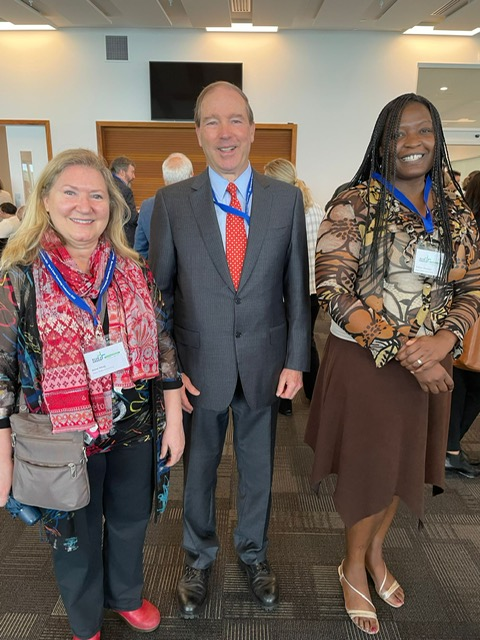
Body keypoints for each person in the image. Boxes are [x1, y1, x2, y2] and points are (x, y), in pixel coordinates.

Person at [304, 94, 480, 635]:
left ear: (437, 137)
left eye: (423, 130)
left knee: (403, 467)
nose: (412, 142)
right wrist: (409, 351)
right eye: (400, 132)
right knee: (368, 472)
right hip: (368, 364)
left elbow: (472, 284)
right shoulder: (353, 202)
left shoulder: (454, 205)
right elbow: (332, 287)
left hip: (432, 363)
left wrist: (447, 338)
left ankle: (377, 553)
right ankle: (352, 566)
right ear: (383, 140)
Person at [0, 148, 184, 640]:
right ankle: (84, 618)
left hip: (133, 420)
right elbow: (1, 373)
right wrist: (2, 456)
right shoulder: (19, 275)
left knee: (128, 519)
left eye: (97, 195)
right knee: (74, 536)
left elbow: (163, 344)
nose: (85, 205)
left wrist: (175, 416)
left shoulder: (133, 268)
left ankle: (124, 594)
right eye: (71, 193)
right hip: (59, 431)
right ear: (45, 200)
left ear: (112, 206)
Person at [149, 81, 309, 618]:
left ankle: (254, 552)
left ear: (252, 128)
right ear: (197, 133)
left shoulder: (285, 200)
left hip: (266, 365)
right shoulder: (172, 203)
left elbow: (296, 289)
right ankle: (196, 558)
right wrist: (170, 373)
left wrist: (296, 359)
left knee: (259, 468)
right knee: (198, 469)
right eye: (212, 122)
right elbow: (160, 298)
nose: (225, 133)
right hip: (199, 367)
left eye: (235, 120)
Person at [264, 158, 324, 415]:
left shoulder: (278, 213)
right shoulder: (318, 211)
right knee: (307, 340)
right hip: (313, 290)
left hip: (286, 292)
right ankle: (316, 394)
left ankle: (284, 402)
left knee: (282, 344)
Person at [446, 171, 480, 478]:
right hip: (471, 314)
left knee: (458, 382)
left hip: (458, 314)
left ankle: (450, 446)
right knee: (471, 385)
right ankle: (451, 449)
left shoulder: (461, 220)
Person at [134, 153, 194, 259]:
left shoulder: (147, 207)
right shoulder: (204, 204)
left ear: (164, 179)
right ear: (192, 175)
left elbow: (140, 251)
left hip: (157, 274)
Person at [110, 156, 138, 248]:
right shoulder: (125, 190)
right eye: (132, 172)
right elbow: (132, 218)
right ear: (122, 172)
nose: (134, 176)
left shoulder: (106, 184)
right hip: (124, 239)